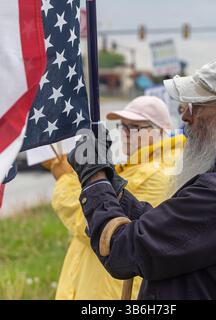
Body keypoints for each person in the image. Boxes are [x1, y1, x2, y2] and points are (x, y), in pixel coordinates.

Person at [68, 56, 216, 300]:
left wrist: (94, 177)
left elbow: (123, 251)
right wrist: (113, 185)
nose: (186, 117)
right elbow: (176, 234)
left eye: (197, 106)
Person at [51, 96, 185, 300]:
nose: (126, 133)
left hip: (112, 290)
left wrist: (65, 177)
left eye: (135, 127)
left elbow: (87, 220)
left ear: (160, 131)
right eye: (123, 126)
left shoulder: (159, 172)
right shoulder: (138, 166)